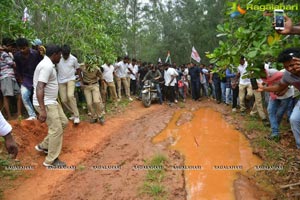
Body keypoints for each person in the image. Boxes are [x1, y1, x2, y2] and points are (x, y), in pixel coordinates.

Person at [258, 48, 300, 157]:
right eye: (286, 67)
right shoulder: (287, 75)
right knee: (294, 119)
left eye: (291, 65)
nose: (290, 69)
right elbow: (280, 86)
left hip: (287, 97)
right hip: (279, 97)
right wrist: (264, 89)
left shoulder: (274, 73)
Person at [33, 44, 68, 167]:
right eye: (60, 55)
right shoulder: (46, 66)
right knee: (56, 129)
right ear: (55, 55)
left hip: (51, 101)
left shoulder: (48, 64)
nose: (61, 58)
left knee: (64, 122)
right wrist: (42, 110)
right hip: (46, 103)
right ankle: (51, 160)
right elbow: (39, 87)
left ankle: (44, 146)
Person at [14, 38, 43, 120]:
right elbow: (18, 68)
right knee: (24, 95)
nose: (22, 50)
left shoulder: (36, 54)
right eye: (20, 49)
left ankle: (42, 112)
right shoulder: (17, 56)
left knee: (39, 95)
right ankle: (32, 115)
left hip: (37, 77)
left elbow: (42, 64)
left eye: (24, 48)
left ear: (28, 46)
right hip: (26, 78)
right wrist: (20, 78)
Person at [56, 44, 81, 125]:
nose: (65, 56)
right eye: (64, 54)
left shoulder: (74, 59)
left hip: (71, 79)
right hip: (61, 81)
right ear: (61, 53)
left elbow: (78, 69)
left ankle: (76, 116)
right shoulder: (58, 58)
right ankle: (72, 113)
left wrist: (80, 78)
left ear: (69, 52)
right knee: (63, 100)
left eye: (67, 55)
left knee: (70, 96)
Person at [78, 57, 105, 124]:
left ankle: (100, 116)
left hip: (94, 85)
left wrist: (103, 89)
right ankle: (94, 117)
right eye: (87, 63)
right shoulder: (82, 66)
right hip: (86, 86)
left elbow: (101, 79)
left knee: (96, 101)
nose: (88, 64)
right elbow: (78, 70)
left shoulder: (96, 68)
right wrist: (81, 82)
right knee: (89, 104)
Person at [0, 45, 22, 120]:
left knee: (17, 94)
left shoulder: (4, 54)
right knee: (7, 97)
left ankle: (18, 114)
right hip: (7, 76)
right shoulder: (4, 54)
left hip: (8, 77)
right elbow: (13, 64)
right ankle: (10, 117)